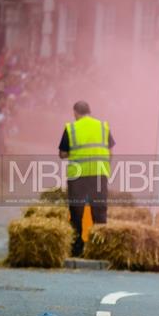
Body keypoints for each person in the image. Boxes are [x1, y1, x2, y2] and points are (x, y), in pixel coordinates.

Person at [58, 101, 115, 257]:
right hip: (99, 174)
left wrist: (76, 154)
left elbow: (62, 154)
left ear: (76, 112)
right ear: (90, 111)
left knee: (77, 212)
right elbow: (110, 153)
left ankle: (77, 248)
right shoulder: (103, 127)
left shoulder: (71, 128)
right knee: (100, 211)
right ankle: (100, 248)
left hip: (78, 175)